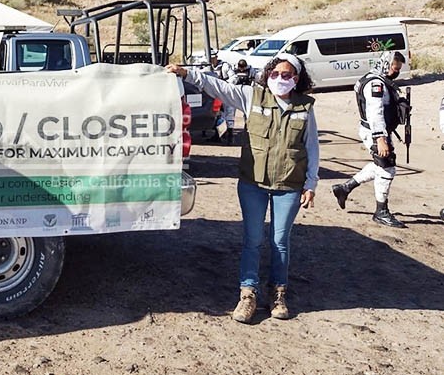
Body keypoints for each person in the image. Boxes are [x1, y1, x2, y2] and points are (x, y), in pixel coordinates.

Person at [167, 53, 319, 324]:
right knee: (253, 240)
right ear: (267, 75)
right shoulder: (252, 97)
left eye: (286, 76)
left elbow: (311, 147)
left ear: (296, 79)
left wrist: (311, 183)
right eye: (274, 74)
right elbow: (221, 88)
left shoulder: (305, 107)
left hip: (289, 185)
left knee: (280, 241)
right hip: (253, 183)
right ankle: (248, 293)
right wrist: (187, 74)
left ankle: (278, 293)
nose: (279, 80)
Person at [331, 51, 407, 228]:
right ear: (387, 65)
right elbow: (375, 112)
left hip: (375, 130)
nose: (395, 73)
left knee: (380, 165)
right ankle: (381, 211)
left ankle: (344, 188)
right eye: (395, 69)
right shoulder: (375, 84)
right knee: (387, 168)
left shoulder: (376, 78)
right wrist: (380, 138)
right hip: (375, 131)